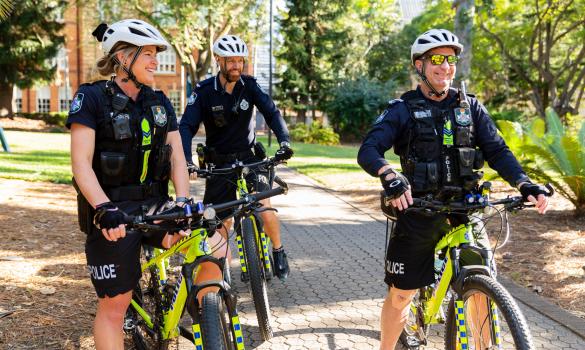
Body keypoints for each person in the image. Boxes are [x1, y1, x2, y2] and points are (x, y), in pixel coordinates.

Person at [357, 28, 550, 349]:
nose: (445, 66)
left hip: (466, 210)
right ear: (420, 65)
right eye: (437, 59)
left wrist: (524, 182)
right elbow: (369, 150)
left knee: (482, 288)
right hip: (419, 211)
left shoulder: (470, 106)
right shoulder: (402, 109)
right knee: (401, 295)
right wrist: (390, 175)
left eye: (451, 60)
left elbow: (498, 151)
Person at [68, 19, 210, 350]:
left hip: (157, 205)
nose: (154, 61)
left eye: (155, 53)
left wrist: (184, 201)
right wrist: (104, 209)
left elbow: (177, 157)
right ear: (122, 57)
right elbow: (80, 164)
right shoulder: (91, 98)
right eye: (147, 53)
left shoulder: (159, 101)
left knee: (214, 240)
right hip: (115, 214)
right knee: (114, 308)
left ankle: (207, 314)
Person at [179, 34, 294, 281]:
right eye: (231, 60)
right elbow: (186, 126)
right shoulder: (204, 91)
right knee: (220, 221)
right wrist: (186, 160)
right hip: (219, 163)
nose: (236, 66)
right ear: (219, 60)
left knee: (265, 208)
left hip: (249, 158)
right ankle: (220, 272)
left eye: (240, 60)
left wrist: (284, 142)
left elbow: (272, 114)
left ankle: (278, 250)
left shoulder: (249, 86)